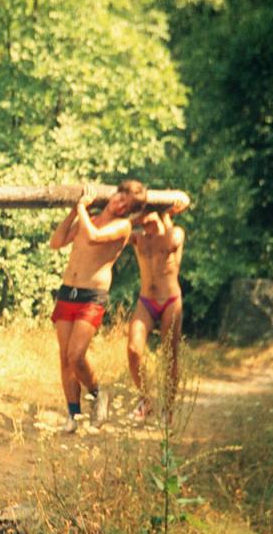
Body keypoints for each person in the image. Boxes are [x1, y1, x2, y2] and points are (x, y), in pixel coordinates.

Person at [48, 181, 146, 433]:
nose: (120, 205)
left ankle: (98, 392)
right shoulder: (87, 218)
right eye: (120, 197)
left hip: (91, 295)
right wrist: (74, 211)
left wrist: (81, 208)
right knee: (64, 358)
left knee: (76, 355)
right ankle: (73, 416)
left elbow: (94, 237)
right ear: (115, 194)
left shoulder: (122, 226)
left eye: (127, 206)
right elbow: (56, 242)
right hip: (67, 292)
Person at [126, 200, 188, 421]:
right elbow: (119, 232)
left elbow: (174, 240)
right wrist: (135, 217)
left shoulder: (174, 233)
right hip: (146, 301)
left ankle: (168, 408)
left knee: (170, 353)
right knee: (133, 349)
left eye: (148, 215)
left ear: (158, 214)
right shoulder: (139, 238)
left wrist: (165, 215)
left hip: (170, 301)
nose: (144, 221)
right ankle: (146, 401)